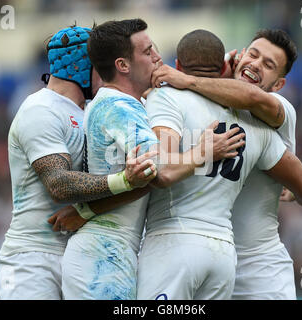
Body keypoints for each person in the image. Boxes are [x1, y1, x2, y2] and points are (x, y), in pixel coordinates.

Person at [59, 19, 244, 300]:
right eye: (148, 52)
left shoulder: (128, 103)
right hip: (102, 257)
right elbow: (157, 171)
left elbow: (138, 182)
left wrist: (223, 71)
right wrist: (205, 150)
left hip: (111, 249)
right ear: (123, 65)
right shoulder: (120, 107)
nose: (158, 57)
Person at [136, 29, 302, 300]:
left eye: (268, 65)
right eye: (253, 55)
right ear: (237, 58)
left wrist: (186, 79)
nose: (256, 64)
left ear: (278, 85)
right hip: (221, 257)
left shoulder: (277, 110)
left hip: (259, 266)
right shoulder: (209, 102)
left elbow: (252, 98)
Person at [0, 25, 157, 300]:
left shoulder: (91, 111)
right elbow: (58, 184)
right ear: (82, 66)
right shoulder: (41, 110)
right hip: (33, 259)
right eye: (99, 64)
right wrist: (126, 180)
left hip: (78, 252)